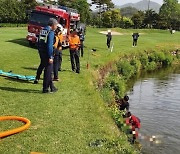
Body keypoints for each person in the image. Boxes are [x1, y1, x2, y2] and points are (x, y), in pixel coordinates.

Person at [37, 18, 58, 93]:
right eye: (56, 25)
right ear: (53, 25)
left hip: (41, 51)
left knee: (46, 68)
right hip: (47, 53)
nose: (56, 27)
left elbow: (39, 41)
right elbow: (49, 45)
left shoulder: (43, 30)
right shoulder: (51, 32)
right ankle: (45, 88)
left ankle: (52, 87)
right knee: (48, 71)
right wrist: (50, 56)